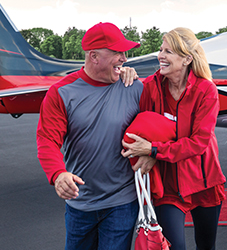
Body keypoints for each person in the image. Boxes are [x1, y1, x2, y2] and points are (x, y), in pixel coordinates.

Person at [36, 22, 143, 250]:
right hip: (79, 203)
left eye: (125, 52)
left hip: (122, 202)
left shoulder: (134, 87)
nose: (124, 58)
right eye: (117, 52)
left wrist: (152, 153)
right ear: (94, 56)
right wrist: (58, 174)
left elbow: (159, 125)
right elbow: (48, 140)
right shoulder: (61, 93)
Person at [121, 27, 226, 250]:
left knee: (206, 246)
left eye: (168, 51)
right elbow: (139, 123)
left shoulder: (206, 90)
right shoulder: (149, 87)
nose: (161, 55)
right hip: (168, 185)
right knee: (174, 246)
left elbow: (199, 142)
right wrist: (124, 73)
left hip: (204, 181)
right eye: (161, 50)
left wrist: (153, 151)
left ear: (187, 58)